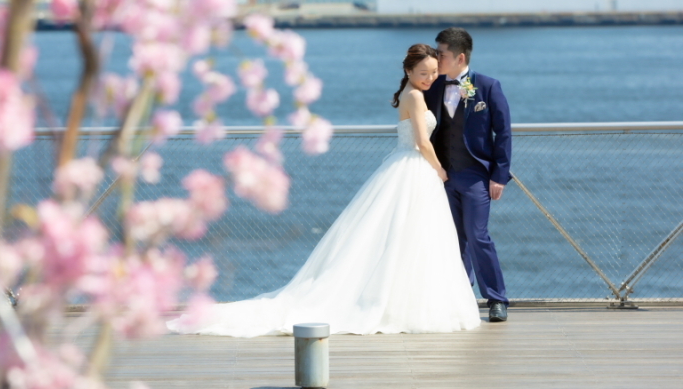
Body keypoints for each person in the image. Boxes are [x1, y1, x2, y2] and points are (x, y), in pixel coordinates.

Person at [168, 44, 481, 337]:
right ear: (409, 71)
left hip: (408, 167)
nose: (429, 78)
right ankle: (402, 301)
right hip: (414, 166)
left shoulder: (411, 92)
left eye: (432, 72)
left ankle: (399, 298)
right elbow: (423, 142)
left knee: (408, 235)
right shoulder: (414, 96)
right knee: (412, 234)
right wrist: (439, 169)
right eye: (423, 72)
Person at [424, 27, 511, 323]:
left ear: (460, 57)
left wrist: (499, 175)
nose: (437, 59)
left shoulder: (487, 86)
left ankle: (497, 299)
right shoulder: (432, 86)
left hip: (475, 176)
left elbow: (504, 132)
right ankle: (459, 298)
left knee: (477, 235)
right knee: (451, 239)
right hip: (442, 176)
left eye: (442, 54)